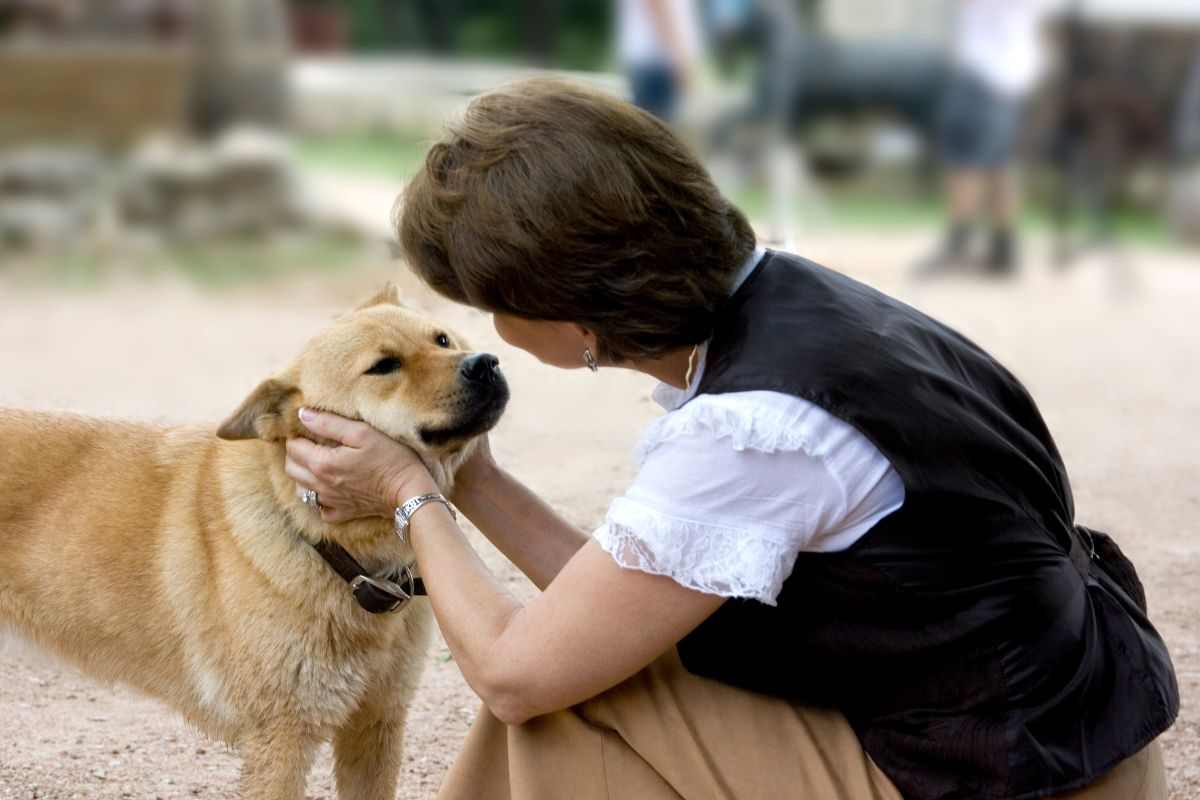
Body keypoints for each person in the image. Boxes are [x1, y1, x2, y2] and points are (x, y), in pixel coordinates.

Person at [285, 79, 1177, 800]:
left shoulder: (753, 431)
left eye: (490, 306)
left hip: (1008, 776)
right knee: (584, 673)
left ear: (576, 317)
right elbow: (617, 607)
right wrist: (468, 475)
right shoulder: (800, 310)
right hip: (1055, 731)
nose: (483, 332)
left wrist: (413, 498)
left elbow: (517, 673)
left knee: (549, 707)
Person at [917, 0, 1050, 277]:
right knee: (1000, 164)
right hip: (1012, 74)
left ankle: (958, 244)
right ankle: (1004, 248)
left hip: (985, 71)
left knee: (966, 161)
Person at [616, 0, 703, 121]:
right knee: (657, 132)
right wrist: (679, 59)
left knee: (649, 129)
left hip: (654, 64)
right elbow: (658, 7)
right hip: (659, 65)